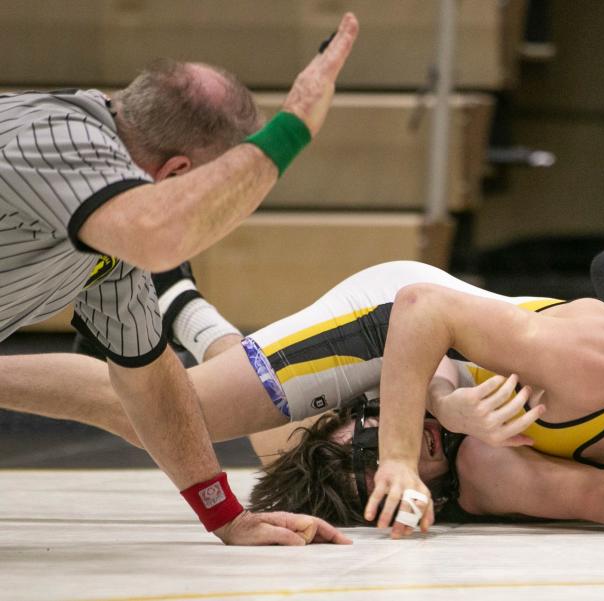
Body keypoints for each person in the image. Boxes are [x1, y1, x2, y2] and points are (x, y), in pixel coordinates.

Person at [2, 156, 604, 541]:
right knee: (185, 418)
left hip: (457, 363)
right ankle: (187, 319)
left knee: (287, 453)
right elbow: (418, 309)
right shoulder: (601, 364)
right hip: (399, 327)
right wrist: (407, 444)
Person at [0, 13, 359, 545]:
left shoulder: (110, 241)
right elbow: (159, 234)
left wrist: (227, 517)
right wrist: (294, 127)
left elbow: (148, 382)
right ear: (177, 175)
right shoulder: (58, 135)